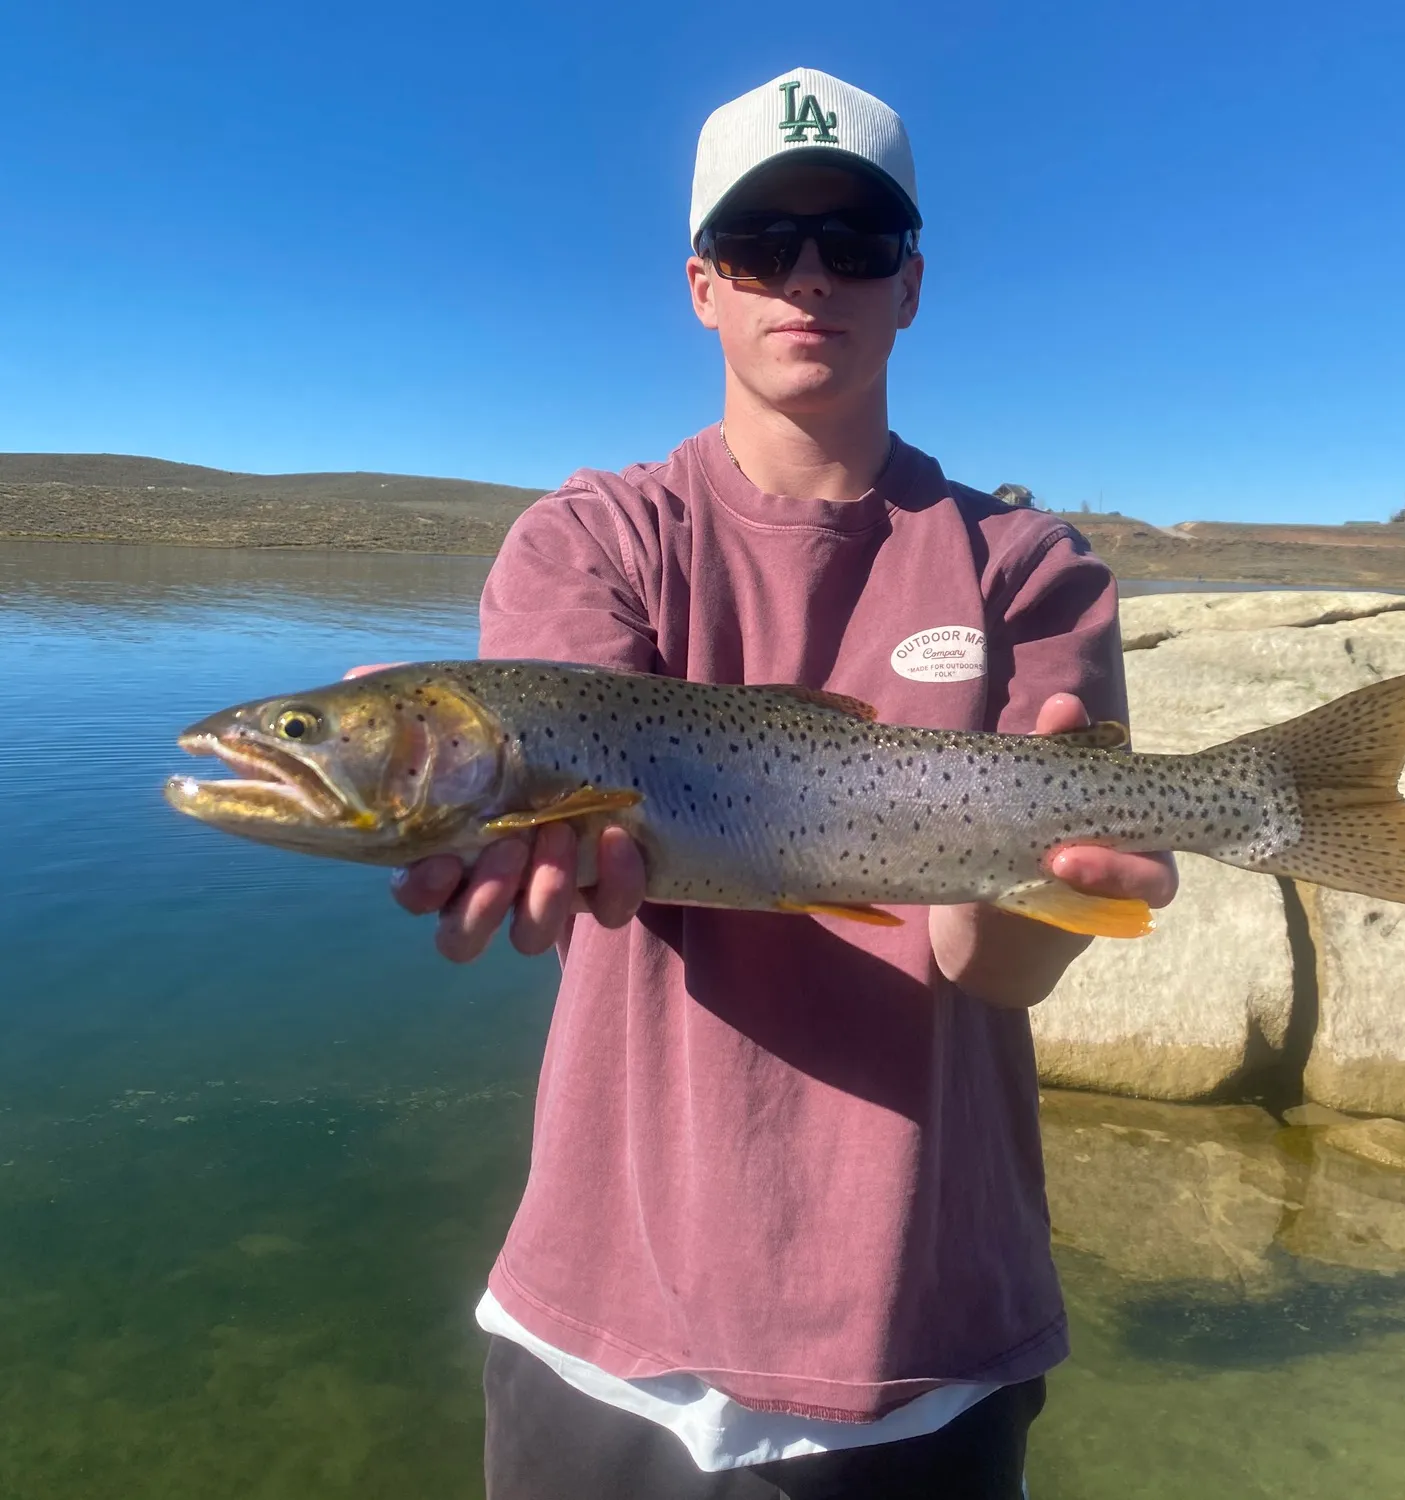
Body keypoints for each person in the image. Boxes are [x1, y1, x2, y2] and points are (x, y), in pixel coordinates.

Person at [382, 67, 1176, 1499]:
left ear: (911, 285)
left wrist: (1049, 885)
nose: (809, 277)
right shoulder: (592, 538)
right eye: (763, 247)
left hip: (921, 1347)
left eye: (855, 243)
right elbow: (553, 784)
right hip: (603, 1325)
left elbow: (988, 972)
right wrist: (525, 847)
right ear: (703, 284)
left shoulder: (1029, 569)